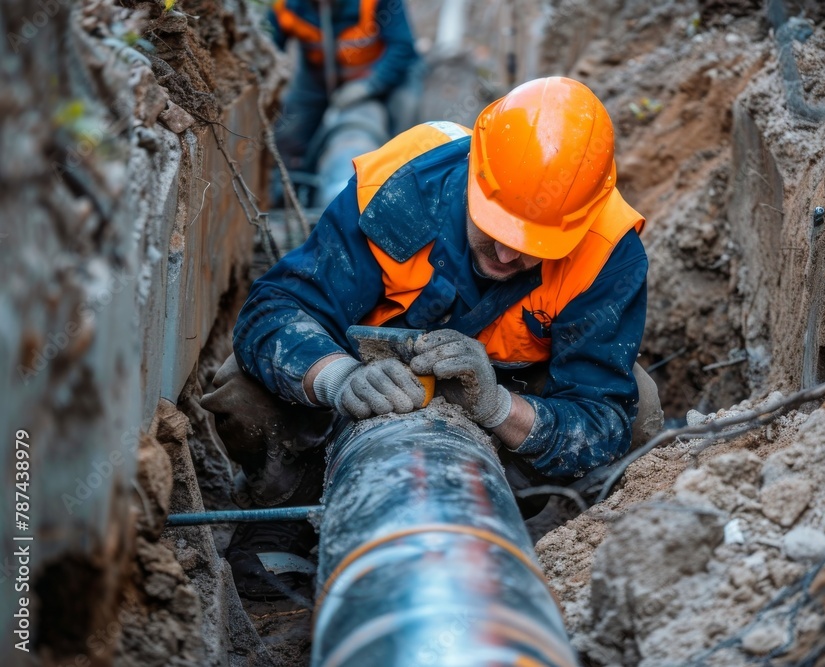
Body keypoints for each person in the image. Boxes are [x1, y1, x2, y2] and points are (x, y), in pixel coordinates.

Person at [202, 77, 662, 599]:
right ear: (474, 173)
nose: (508, 256)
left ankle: (524, 520)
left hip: (511, 389)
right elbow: (275, 309)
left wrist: (494, 407)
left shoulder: (605, 253)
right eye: (496, 228)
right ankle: (286, 502)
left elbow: (601, 415)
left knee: (638, 408)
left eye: (532, 245)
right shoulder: (400, 187)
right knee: (242, 388)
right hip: (365, 371)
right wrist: (336, 378)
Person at [266, 0, 421, 204]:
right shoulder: (285, 7)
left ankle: (405, 189)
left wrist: (370, 86)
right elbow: (267, 50)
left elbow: (402, 47)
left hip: (381, 75)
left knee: (407, 132)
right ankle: (289, 194)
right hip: (316, 78)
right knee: (288, 132)